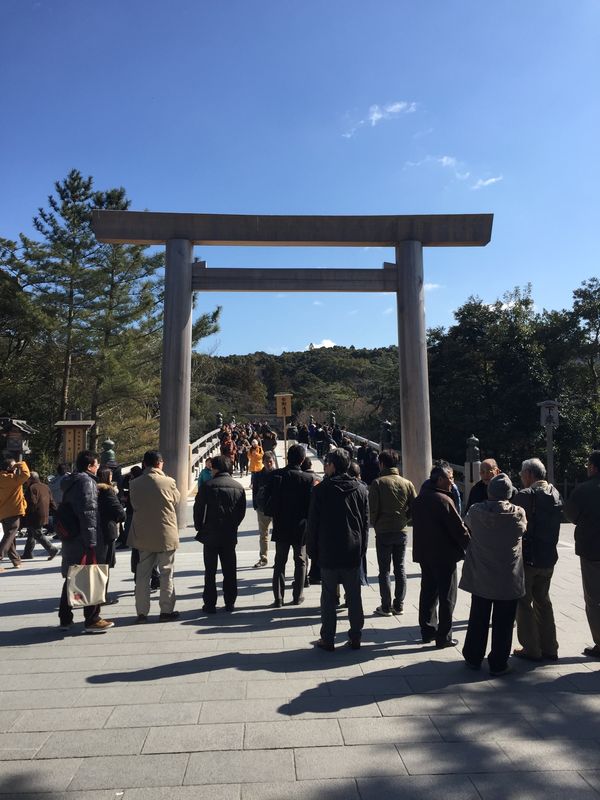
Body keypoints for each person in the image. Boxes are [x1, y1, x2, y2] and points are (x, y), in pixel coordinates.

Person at [461, 473, 527, 676]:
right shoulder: (518, 513)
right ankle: (498, 663)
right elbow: (523, 530)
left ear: (489, 492)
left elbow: (467, 524)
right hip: (508, 576)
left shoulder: (476, 511)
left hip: (481, 574)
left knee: (478, 617)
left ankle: (473, 657)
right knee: (504, 622)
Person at [307, 447, 369, 651]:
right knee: (354, 596)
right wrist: (362, 549)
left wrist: (312, 551)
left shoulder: (321, 490)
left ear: (333, 466)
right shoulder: (360, 489)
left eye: (327, 463)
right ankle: (356, 636)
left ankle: (328, 637)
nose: (325, 467)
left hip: (328, 549)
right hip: (353, 548)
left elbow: (313, 524)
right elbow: (364, 524)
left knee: (328, 597)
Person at [411, 462, 470, 647]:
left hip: (425, 554)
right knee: (447, 596)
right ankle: (443, 636)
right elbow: (459, 529)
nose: (452, 482)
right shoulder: (443, 500)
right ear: (440, 479)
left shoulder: (420, 499)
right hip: (444, 555)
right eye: (450, 478)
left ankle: (427, 631)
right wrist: (471, 546)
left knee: (428, 592)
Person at [58, 450, 114, 633]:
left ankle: (65, 617)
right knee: (92, 576)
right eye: (96, 465)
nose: (98, 468)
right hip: (84, 538)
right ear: (90, 466)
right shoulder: (87, 482)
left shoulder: (70, 481)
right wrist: (92, 542)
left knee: (72, 575)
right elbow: (88, 513)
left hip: (72, 536)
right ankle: (92, 618)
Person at [512, 458, 562, 662]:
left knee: (524, 602)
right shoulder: (555, 492)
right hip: (548, 557)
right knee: (543, 601)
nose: (521, 477)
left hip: (529, 558)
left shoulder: (525, 495)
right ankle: (550, 647)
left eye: (522, 474)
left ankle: (531, 648)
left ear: (530, 474)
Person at [129, 450, 181, 623]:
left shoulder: (134, 484)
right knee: (166, 572)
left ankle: (141, 612)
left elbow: (134, 504)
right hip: (165, 533)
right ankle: (166, 610)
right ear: (160, 463)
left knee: (142, 574)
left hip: (143, 534)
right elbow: (176, 500)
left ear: (144, 464)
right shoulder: (168, 482)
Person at [193, 455, 246, 613]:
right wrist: (233, 525)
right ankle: (230, 601)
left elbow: (198, 510)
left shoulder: (207, 486)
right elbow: (241, 512)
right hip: (229, 534)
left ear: (215, 469)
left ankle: (210, 603)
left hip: (210, 533)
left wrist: (200, 527)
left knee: (210, 571)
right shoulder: (238, 487)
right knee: (229, 569)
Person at [264, 444, 314, 607]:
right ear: (302, 459)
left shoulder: (276, 475)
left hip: (281, 523)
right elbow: (310, 505)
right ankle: (297, 596)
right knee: (300, 560)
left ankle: (278, 598)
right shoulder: (308, 479)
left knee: (280, 561)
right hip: (300, 525)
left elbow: (266, 497)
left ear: (287, 457)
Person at [368, 450, 416, 616]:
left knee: (384, 570)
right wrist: (405, 519)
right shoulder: (407, 483)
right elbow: (414, 506)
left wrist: (376, 522)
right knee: (400, 568)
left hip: (383, 530)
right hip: (401, 530)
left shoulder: (378, 483)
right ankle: (399, 604)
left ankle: (386, 606)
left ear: (382, 464)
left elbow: (373, 509)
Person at [565, 450, 600, 658]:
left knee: (594, 598)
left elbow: (571, 515)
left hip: (592, 550)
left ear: (593, 467)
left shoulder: (583, 490)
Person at [96, 467, 126, 605]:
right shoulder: (108, 491)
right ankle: (102, 596)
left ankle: (97, 594)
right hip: (107, 530)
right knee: (105, 564)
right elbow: (119, 511)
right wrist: (119, 519)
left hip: (96, 530)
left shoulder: (94, 490)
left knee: (98, 564)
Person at [0, 458, 31, 570]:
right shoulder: (13, 479)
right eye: (14, 467)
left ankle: (16, 560)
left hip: (3, 512)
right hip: (13, 511)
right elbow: (26, 474)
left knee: (10, 537)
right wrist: (20, 463)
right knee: (11, 533)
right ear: (10, 468)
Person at [21, 471, 59, 560]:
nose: (26, 481)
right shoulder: (45, 486)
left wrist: (24, 514)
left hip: (34, 514)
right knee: (31, 533)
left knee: (37, 533)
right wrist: (56, 512)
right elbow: (51, 501)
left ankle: (52, 549)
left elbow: (31, 503)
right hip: (44, 513)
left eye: (27, 479)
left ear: (31, 479)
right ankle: (27, 553)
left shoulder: (31, 488)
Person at [251, 450, 276, 568]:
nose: (268, 464)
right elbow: (254, 490)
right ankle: (263, 557)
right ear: (263, 462)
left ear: (273, 461)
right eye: (266, 462)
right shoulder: (258, 475)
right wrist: (255, 505)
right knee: (263, 534)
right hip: (262, 508)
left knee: (278, 534)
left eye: (270, 461)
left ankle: (278, 559)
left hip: (276, 509)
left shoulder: (278, 474)